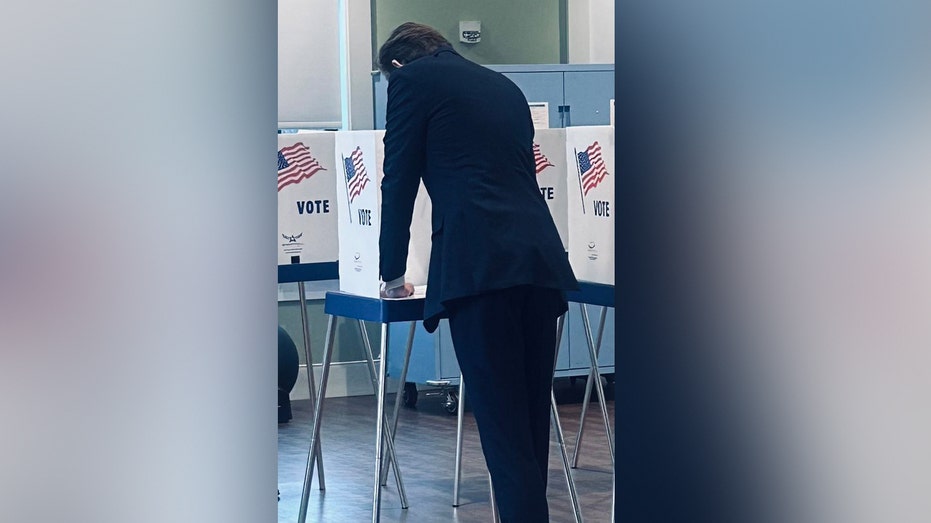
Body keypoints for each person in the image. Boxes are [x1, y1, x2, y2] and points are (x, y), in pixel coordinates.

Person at [376, 22, 579, 521]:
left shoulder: (410, 81)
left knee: (501, 427)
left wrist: (390, 270)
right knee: (529, 425)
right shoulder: (504, 86)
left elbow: (397, 178)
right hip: (538, 261)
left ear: (398, 64)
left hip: (478, 265)